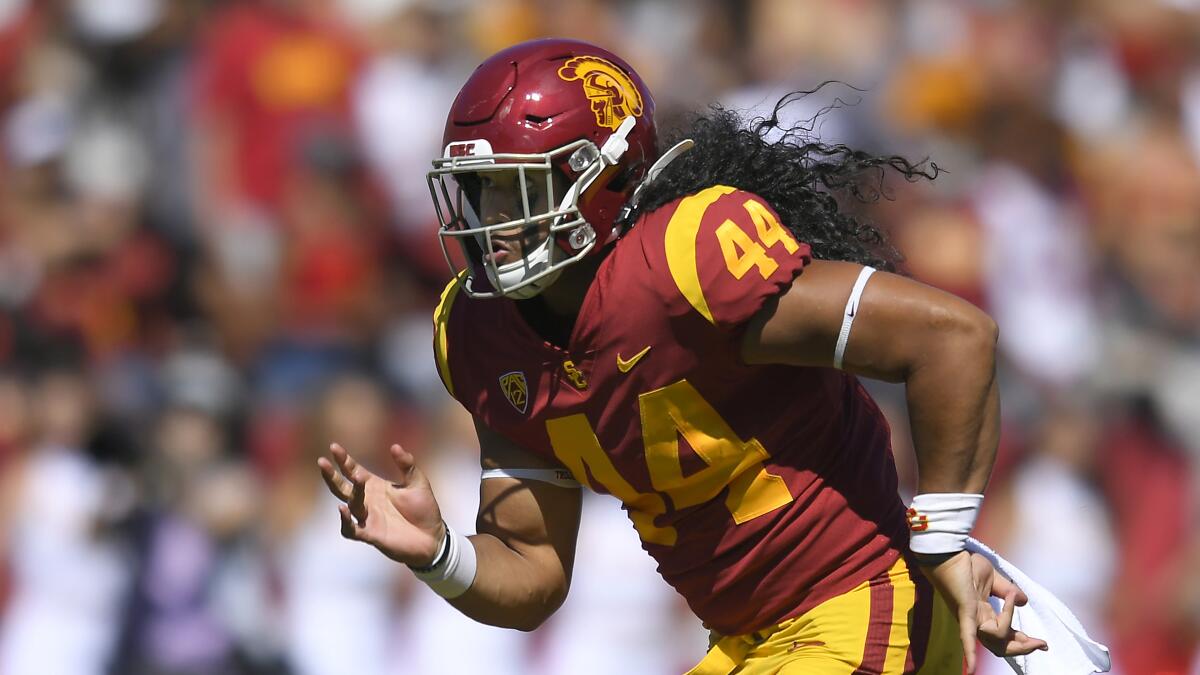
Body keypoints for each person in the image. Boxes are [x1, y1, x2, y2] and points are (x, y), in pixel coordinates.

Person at [317, 38, 1049, 673]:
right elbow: (533, 569)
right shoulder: (482, 338)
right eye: (481, 193)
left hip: (866, 604)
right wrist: (441, 551)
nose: (494, 224)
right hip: (747, 643)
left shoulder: (684, 261)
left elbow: (952, 337)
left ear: (599, 176)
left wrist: (944, 537)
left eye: (518, 191)